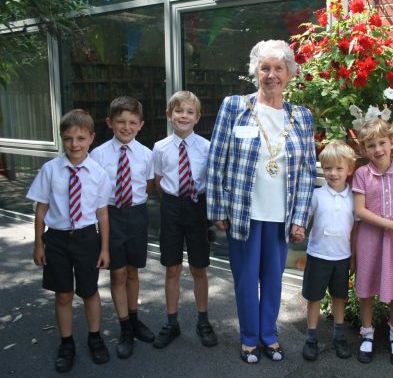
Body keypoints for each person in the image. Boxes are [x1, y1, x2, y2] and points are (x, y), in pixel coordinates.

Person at [206, 39, 316, 364]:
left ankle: (269, 335)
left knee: (273, 279)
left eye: (278, 68)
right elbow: (217, 160)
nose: (271, 75)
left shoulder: (302, 116)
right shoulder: (234, 107)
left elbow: (308, 171)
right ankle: (249, 338)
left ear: (289, 74)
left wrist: (300, 217)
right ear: (256, 71)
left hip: (281, 214)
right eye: (265, 68)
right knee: (244, 278)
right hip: (243, 212)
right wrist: (217, 209)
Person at [26, 109, 112, 373]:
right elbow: (41, 209)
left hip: (87, 238)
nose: (74, 144)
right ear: (62, 139)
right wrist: (38, 243)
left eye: (80, 138)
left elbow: (102, 213)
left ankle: (95, 337)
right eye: (68, 138)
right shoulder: (50, 170)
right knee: (63, 293)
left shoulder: (98, 173)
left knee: (89, 291)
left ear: (91, 138)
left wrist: (105, 248)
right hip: (57, 240)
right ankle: (66, 343)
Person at [151, 90, 218, 350]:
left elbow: (210, 182)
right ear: (169, 115)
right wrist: (174, 200)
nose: (184, 116)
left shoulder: (206, 147)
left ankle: (203, 320)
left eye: (190, 112)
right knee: (172, 267)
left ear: (197, 117)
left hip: (197, 207)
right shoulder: (160, 148)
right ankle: (171, 322)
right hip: (171, 207)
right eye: (179, 111)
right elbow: (159, 182)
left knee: (199, 267)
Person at [90, 96, 155, 359]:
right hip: (112, 216)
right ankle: (124, 326)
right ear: (110, 123)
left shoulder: (147, 154)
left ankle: (135, 318)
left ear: (140, 124)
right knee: (117, 274)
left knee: (133, 270)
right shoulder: (98, 154)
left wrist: (134, 206)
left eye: (132, 122)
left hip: (137, 215)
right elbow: (94, 191)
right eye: (120, 122)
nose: (126, 127)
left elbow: (147, 187)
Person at [352, 118, 393, 367]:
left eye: (381, 143)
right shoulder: (361, 174)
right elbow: (360, 210)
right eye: (370, 145)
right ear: (363, 149)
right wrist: (390, 224)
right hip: (370, 239)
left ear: (391, 142)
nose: (377, 150)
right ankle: (367, 334)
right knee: (366, 290)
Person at [301, 141, 356, 362]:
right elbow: (304, 220)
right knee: (314, 297)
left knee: (339, 297)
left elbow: (358, 227)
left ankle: (339, 336)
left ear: (349, 170)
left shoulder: (354, 197)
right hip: (318, 255)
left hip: (342, 256)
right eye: (328, 168)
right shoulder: (317, 195)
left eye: (339, 168)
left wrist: (355, 256)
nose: (333, 173)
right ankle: (311, 337)